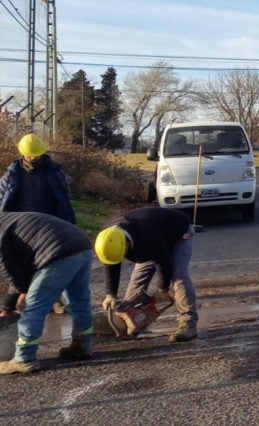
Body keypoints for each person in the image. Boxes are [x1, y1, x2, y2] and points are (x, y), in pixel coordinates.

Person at [0, 211, 94, 374]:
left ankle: (24, 358)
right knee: (78, 301)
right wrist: (8, 306)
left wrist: (23, 291)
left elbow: (9, 268)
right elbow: (19, 266)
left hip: (57, 252)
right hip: (82, 245)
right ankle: (82, 345)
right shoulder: (7, 220)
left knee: (34, 306)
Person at [94, 206, 198, 342]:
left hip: (179, 231)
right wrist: (111, 294)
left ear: (126, 245)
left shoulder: (148, 237)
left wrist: (163, 289)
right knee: (137, 279)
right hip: (149, 237)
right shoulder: (108, 239)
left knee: (178, 275)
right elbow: (111, 264)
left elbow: (163, 262)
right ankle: (127, 323)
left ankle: (188, 323)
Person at [0, 134, 75, 317]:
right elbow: (3, 198)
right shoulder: (12, 173)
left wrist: (68, 225)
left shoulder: (54, 171)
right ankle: (9, 306)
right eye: (30, 155)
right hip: (20, 226)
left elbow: (64, 199)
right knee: (22, 265)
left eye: (37, 155)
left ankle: (52, 300)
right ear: (22, 153)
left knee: (48, 263)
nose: (34, 158)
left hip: (49, 224)